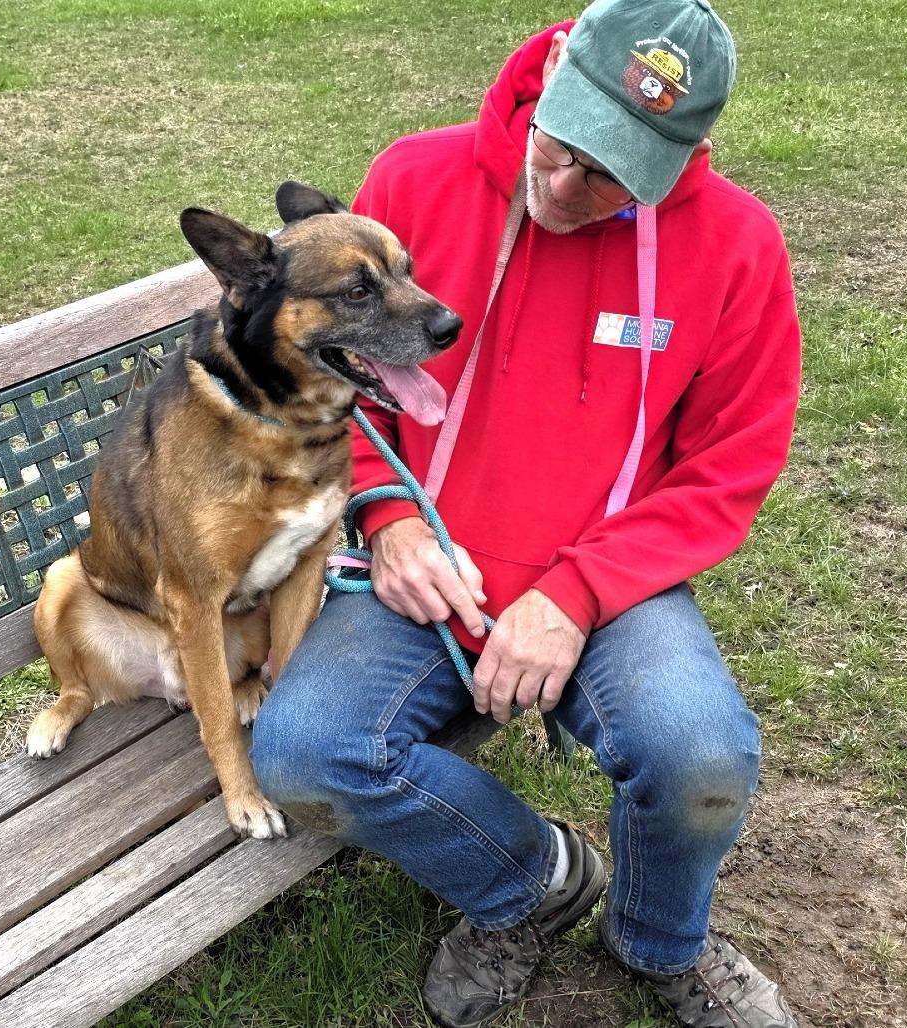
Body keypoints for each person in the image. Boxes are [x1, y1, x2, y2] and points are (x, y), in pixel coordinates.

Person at [251, 0, 801, 1024]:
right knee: (303, 754)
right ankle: (534, 881)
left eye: (611, 175)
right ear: (547, 78)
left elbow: (730, 464)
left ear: (684, 155)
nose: (564, 188)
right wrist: (387, 516)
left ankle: (658, 940)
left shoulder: (738, 246)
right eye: (560, 147)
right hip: (424, 564)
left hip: (608, 580)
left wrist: (577, 593)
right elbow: (330, 380)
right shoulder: (411, 181)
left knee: (699, 757)